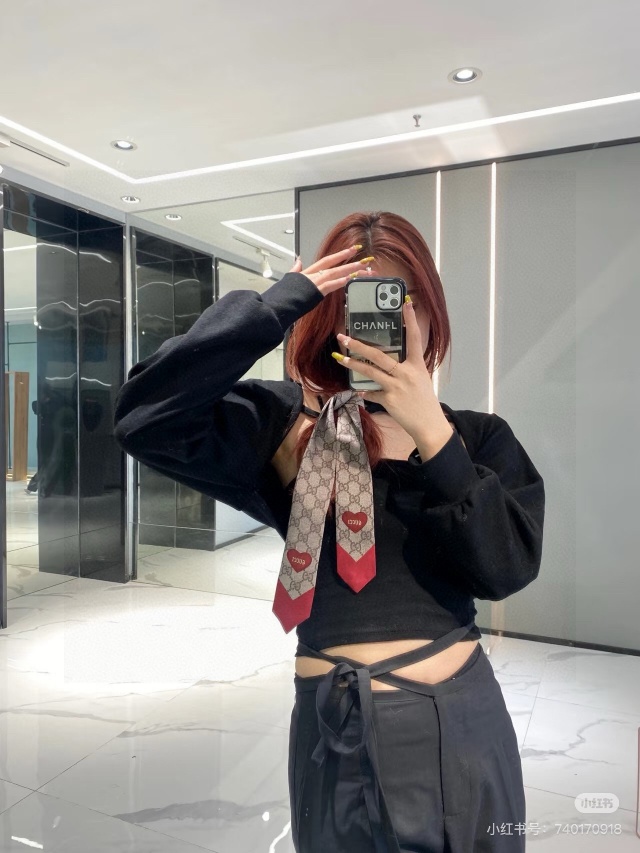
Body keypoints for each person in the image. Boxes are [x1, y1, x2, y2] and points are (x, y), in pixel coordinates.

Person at [114, 211, 545, 852]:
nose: (382, 319)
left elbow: (506, 569)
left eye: (400, 297)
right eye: (354, 301)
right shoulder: (285, 424)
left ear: (430, 311)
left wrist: (433, 434)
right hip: (333, 729)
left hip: (460, 722)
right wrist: (276, 306)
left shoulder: (476, 438)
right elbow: (144, 419)